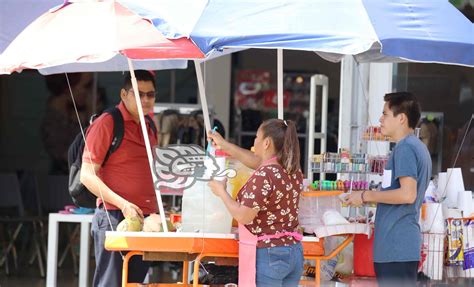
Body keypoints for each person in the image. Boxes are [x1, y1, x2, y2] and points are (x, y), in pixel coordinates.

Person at [80, 70, 158, 286]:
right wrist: (123, 205)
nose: (145, 100)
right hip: (114, 216)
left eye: (150, 95)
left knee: (133, 283)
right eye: (138, 94)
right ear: (124, 95)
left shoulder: (150, 124)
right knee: (111, 283)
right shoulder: (107, 122)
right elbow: (87, 175)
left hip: (146, 219)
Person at [345, 92, 431, 287]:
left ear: (401, 118)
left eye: (385, 114)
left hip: (396, 247)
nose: (380, 119)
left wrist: (365, 196)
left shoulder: (405, 148)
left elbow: (407, 194)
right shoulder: (415, 146)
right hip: (399, 247)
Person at [207, 119, 304, 287]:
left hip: (269, 254)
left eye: (256, 137)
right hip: (293, 251)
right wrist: (224, 145)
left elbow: (243, 216)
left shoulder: (264, 175)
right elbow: (256, 161)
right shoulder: (293, 171)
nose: (254, 141)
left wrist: (222, 192)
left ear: (266, 143)